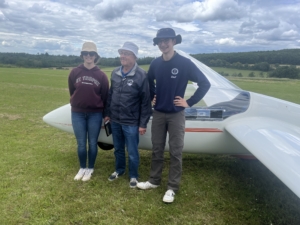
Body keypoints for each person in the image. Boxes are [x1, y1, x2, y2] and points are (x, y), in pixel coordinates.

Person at [137, 28, 211, 203]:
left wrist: (189, 102)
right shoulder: (155, 63)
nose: (163, 44)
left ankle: (172, 188)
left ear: (174, 41)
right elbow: (149, 82)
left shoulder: (184, 63)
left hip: (176, 114)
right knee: (157, 149)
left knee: (176, 151)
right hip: (159, 113)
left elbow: (204, 84)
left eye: (167, 40)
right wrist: (154, 94)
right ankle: (154, 181)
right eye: (160, 41)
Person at [104, 42, 152, 188]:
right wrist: (107, 113)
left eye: (126, 53)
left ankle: (133, 176)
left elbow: (145, 102)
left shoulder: (142, 75)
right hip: (115, 120)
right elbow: (110, 94)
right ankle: (119, 170)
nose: (122, 56)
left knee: (132, 151)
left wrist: (143, 123)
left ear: (135, 57)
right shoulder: (115, 73)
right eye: (121, 53)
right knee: (118, 148)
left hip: (131, 121)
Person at [68, 42, 109, 181]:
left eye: (91, 54)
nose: (88, 56)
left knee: (92, 142)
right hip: (77, 113)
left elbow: (105, 96)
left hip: (95, 114)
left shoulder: (101, 75)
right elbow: (72, 91)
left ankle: (90, 168)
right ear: (82, 55)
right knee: (80, 143)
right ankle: (82, 168)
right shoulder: (74, 72)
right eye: (86, 53)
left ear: (95, 56)